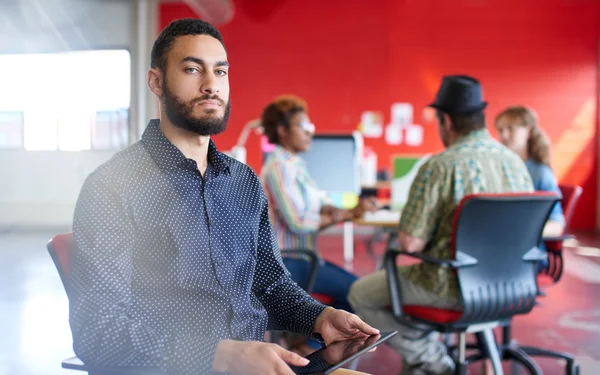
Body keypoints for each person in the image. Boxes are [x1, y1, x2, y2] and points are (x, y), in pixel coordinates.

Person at [69, 18, 378, 375]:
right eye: (191, 69)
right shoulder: (113, 186)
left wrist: (321, 317)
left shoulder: (242, 182)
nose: (210, 85)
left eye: (220, 71)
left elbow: (270, 284)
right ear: (156, 81)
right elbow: (98, 332)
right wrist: (218, 355)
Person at [348, 75, 534, 375]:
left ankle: (433, 361)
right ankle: (423, 358)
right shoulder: (514, 163)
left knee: (360, 292)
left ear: (445, 120)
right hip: (510, 286)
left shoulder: (440, 165)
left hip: (452, 287)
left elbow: (410, 243)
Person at [259, 95, 377, 313]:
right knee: (360, 293)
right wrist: (347, 215)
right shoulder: (279, 167)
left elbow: (321, 203)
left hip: (305, 259)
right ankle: (309, 344)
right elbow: (299, 223)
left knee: (354, 294)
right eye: (303, 126)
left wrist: (349, 210)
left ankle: (305, 340)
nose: (310, 131)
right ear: (282, 130)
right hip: (288, 263)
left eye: (310, 125)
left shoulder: (295, 165)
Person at [495, 106, 565, 237]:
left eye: (510, 129)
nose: (503, 135)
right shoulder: (498, 169)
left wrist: (523, 232)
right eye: (500, 130)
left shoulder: (541, 173)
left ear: (529, 131)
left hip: (525, 248)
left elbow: (556, 225)